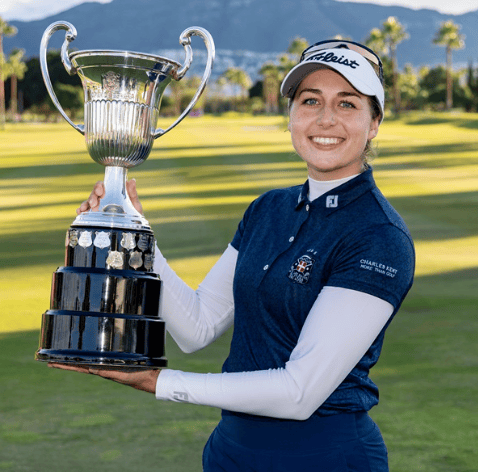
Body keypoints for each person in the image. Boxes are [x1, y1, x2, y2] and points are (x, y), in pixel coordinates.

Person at [51, 40, 415, 471]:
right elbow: (198, 326)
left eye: (348, 103)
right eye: (310, 100)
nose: (325, 119)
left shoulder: (379, 236)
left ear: (374, 123)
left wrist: (158, 381)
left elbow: (299, 393)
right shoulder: (269, 209)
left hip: (324, 455)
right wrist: (137, 239)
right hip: (231, 451)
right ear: (292, 114)